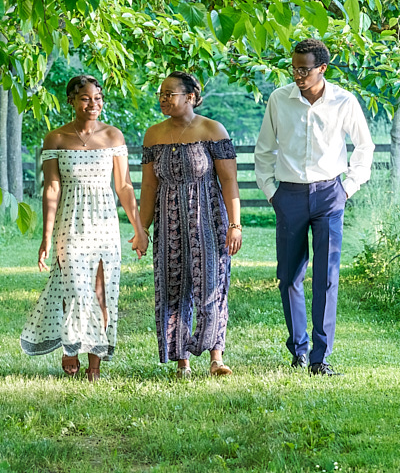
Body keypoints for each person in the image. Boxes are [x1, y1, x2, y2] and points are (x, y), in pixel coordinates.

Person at [255, 39, 375, 376]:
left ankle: (320, 358)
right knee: (289, 277)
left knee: (326, 278)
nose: (297, 74)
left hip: (329, 196)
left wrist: (347, 188)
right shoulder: (279, 100)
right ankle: (299, 351)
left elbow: (364, 147)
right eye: (293, 67)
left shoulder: (343, 101)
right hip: (289, 196)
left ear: (322, 68)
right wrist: (271, 192)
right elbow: (264, 150)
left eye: (304, 69)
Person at [20, 75, 148, 381]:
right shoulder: (56, 138)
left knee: (101, 293)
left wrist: (139, 228)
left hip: (104, 224)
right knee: (74, 289)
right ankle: (70, 347)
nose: (94, 104)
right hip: (70, 223)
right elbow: (52, 188)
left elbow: (124, 186)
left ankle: (95, 364)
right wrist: (46, 237)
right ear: (72, 101)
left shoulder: (113, 136)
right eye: (86, 98)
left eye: (98, 99)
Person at [136, 71, 242, 378]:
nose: (164, 99)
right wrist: (142, 229)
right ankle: (182, 360)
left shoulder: (212, 129)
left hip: (208, 220)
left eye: (171, 94)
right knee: (172, 287)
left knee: (210, 284)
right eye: (161, 94)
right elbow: (148, 187)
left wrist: (235, 224)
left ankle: (216, 357)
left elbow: (229, 179)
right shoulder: (153, 134)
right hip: (169, 223)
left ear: (191, 97)